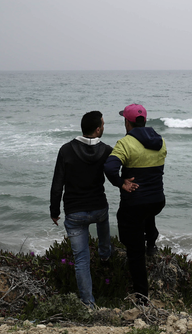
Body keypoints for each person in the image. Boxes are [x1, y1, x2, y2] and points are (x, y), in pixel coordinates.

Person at [104, 103, 167, 303]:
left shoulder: (125, 143)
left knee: (133, 248)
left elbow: (110, 168)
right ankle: (152, 243)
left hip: (135, 204)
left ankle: (142, 297)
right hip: (157, 200)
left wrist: (121, 183)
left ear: (127, 123)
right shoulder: (161, 142)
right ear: (144, 121)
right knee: (146, 212)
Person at [49, 110, 113, 306]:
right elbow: (114, 174)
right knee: (103, 222)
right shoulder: (107, 150)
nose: (104, 127)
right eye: (103, 124)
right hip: (98, 209)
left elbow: (57, 183)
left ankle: (88, 304)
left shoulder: (66, 150)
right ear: (97, 129)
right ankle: (105, 255)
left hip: (74, 213)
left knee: (82, 260)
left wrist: (54, 211)